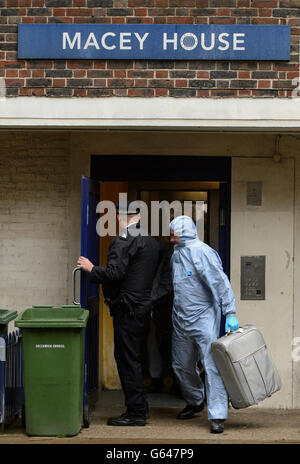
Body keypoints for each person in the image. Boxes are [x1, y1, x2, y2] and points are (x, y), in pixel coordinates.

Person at [77, 201, 160, 426]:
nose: (116, 219)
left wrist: (91, 269)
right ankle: (140, 407)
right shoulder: (151, 241)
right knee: (133, 358)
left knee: (126, 360)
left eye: (117, 215)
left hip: (127, 309)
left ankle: (136, 413)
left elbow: (115, 273)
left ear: (124, 216)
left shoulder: (124, 239)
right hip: (141, 307)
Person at [169, 215, 239, 434]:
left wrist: (230, 312)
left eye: (174, 235)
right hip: (180, 318)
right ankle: (195, 399)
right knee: (180, 364)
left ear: (184, 233)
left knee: (211, 366)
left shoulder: (202, 253)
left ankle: (217, 415)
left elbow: (220, 283)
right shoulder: (176, 254)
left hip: (204, 317)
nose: (171, 239)